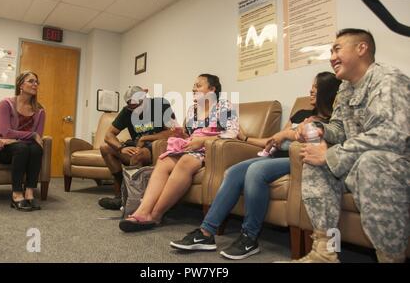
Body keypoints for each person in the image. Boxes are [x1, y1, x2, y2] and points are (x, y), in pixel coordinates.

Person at [170, 72, 341, 260]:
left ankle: (249, 237)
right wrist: (245, 138)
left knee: (255, 171)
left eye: (316, 86)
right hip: (275, 155)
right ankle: (206, 233)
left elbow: (302, 140)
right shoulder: (301, 114)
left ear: (328, 91)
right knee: (233, 171)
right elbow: (274, 140)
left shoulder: (334, 122)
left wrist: (288, 135)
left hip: (298, 159)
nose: (311, 90)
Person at [291, 29, 410, 263]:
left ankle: (390, 258)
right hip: (356, 162)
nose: (331, 57)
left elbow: (391, 135)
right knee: (313, 158)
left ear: (361, 48)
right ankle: (325, 251)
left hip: (395, 164)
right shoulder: (345, 88)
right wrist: (320, 129)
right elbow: (340, 129)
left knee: (370, 162)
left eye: (337, 49)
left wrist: (332, 155)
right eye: (330, 52)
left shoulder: (388, 80)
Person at [119, 74, 240, 232]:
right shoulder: (192, 110)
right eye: (194, 85)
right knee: (163, 160)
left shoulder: (224, 106)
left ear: (212, 89)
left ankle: (155, 215)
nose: (193, 88)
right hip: (191, 146)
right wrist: (180, 135)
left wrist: (202, 141)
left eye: (198, 85)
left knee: (185, 161)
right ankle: (142, 211)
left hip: (212, 149)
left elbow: (232, 132)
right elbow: (189, 135)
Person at [98, 86, 176, 210]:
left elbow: (172, 132)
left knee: (137, 155)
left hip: (156, 146)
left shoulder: (161, 104)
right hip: (136, 146)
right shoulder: (127, 111)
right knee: (105, 149)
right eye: (132, 107)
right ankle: (120, 196)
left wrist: (145, 139)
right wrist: (120, 148)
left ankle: (134, 201)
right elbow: (108, 135)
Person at [0, 71, 45, 212]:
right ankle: (16, 194)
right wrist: (30, 135)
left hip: (19, 146)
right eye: (31, 81)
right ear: (20, 84)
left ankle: (29, 192)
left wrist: (13, 139)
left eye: (36, 82)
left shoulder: (40, 111)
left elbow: (38, 138)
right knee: (22, 148)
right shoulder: (6, 103)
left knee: (36, 149)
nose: (35, 84)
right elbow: (6, 132)